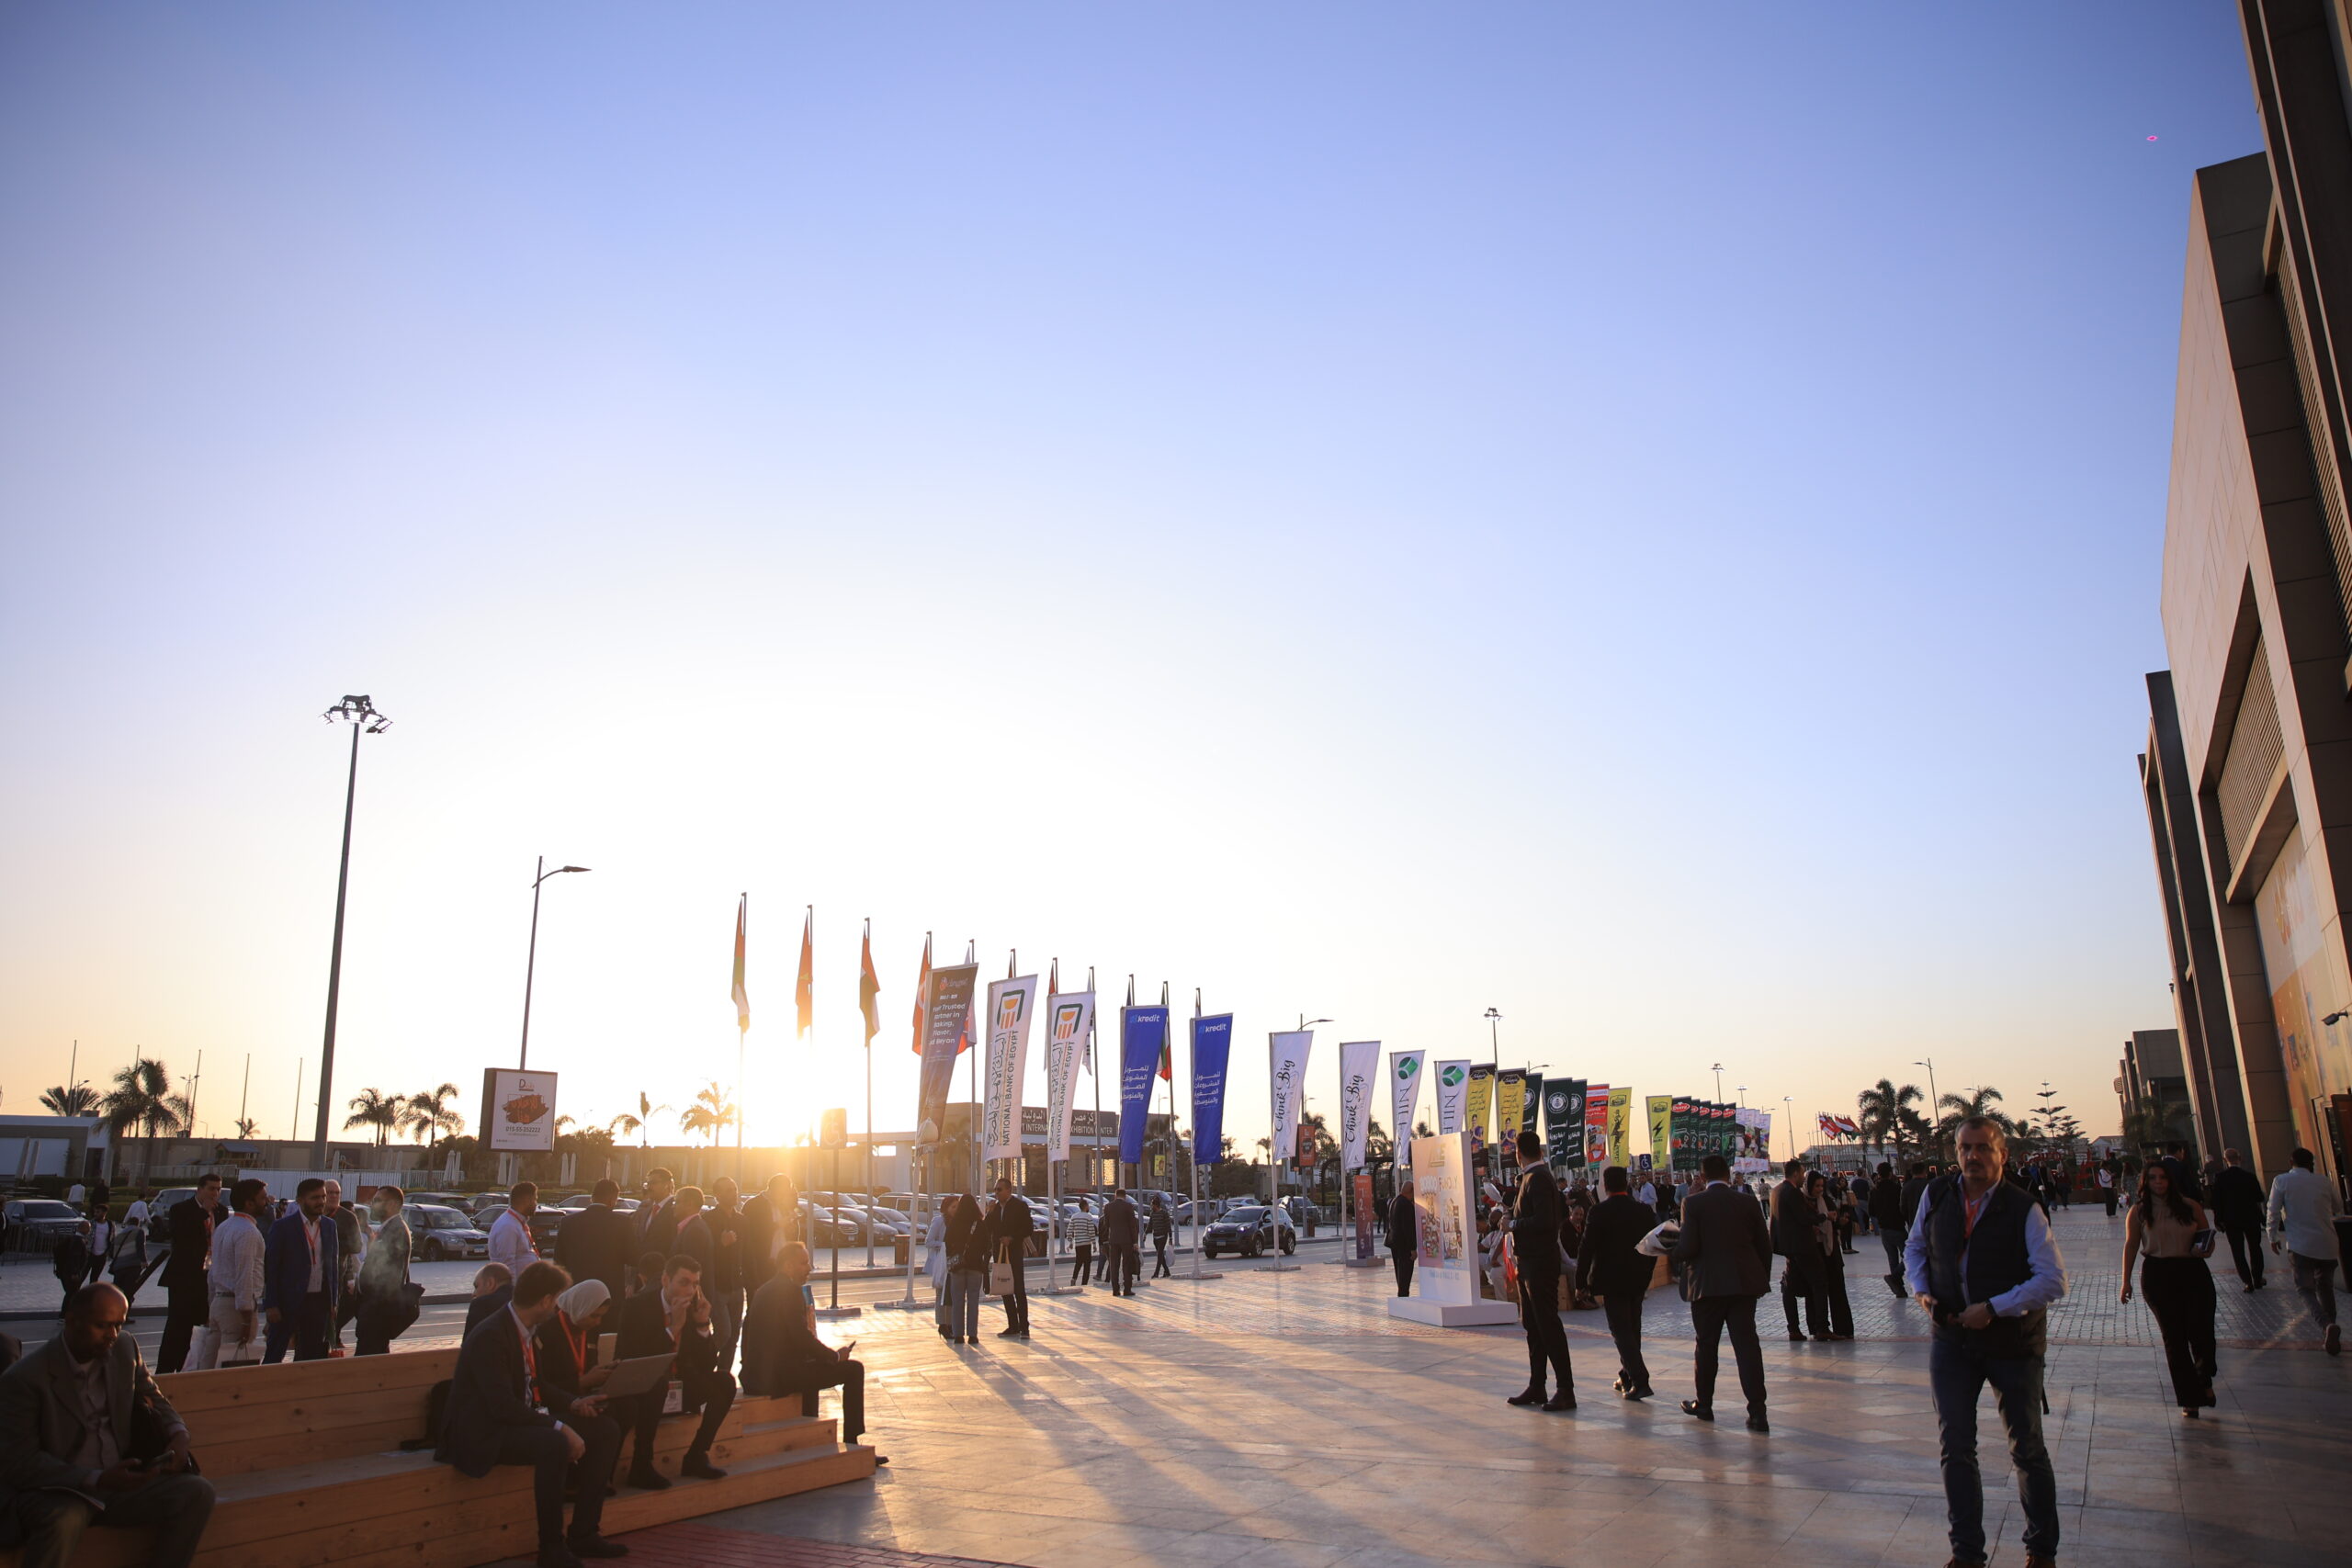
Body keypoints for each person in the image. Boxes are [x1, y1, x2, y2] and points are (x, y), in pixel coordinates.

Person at [1905, 1115, 2065, 1568]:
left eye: (1982, 1148)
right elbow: (1915, 1248)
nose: (1972, 1156)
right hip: (1951, 1339)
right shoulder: (1937, 1195)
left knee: (2026, 1447)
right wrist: (1922, 1291)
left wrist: (1994, 1308)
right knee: (1955, 1447)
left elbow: (2053, 1280)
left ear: (2002, 1155)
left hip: (2012, 1343)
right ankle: (1967, 1554)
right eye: (1965, 1148)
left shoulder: (2024, 1208)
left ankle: (2041, 1550)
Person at [0, 1283, 215, 1568]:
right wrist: (96, 1478)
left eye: (118, 1325)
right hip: (61, 1489)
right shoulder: (26, 1378)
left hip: (121, 1483)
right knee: (64, 1517)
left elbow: (155, 1398)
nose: (112, 1335)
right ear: (72, 1321)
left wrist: (179, 1434)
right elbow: (21, 1463)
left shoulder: (124, 1348)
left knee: (197, 1492)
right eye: (102, 1326)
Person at [438, 1261, 626, 1568]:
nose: (559, 1306)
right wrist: (559, 1426)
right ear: (545, 1301)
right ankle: (551, 1548)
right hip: (484, 1431)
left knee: (605, 1430)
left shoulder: (525, 1330)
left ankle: (584, 1533)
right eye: (557, 1299)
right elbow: (502, 1406)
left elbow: (537, 1384)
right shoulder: (492, 1335)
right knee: (554, 1444)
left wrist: (574, 1403)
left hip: (516, 1420)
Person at [741, 1241, 885, 1463]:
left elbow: (749, 1333)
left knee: (813, 1369)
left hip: (756, 1376)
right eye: (804, 1263)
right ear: (788, 1266)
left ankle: (811, 1431)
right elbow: (801, 1338)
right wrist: (834, 1357)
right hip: (778, 1377)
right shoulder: (789, 1291)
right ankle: (852, 1441)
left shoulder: (764, 1289)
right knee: (854, 1370)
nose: (809, 1268)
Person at [1669, 1153, 1771, 1432]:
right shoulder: (1748, 1202)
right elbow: (1764, 1245)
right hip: (1743, 1285)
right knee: (1747, 1347)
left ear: (1702, 1177)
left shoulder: (1693, 1203)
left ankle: (1704, 1404)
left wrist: (1670, 1250)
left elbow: (1689, 1247)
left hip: (1707, 1287)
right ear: (1728, 1174)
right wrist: (1760, 1280)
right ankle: (1758, 1411)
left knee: (1706, 1346)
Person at [614, 1253, 733, 1487]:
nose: (690, 1290)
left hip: (679, 1388)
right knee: (657, 1384)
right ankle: (641, 1464)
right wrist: (674, 1327)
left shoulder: (692, 1308)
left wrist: (702, 1324)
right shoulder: (637, 1306)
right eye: (684, 1282)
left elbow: (707, 1365)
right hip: (645, 1390)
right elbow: (634, 1357)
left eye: (695, 1284)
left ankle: (697, 1455)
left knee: (725, 1382)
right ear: (666, 1280)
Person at [2120, 1160, 2219, 1416]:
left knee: (2202, 1333)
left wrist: (2205, 1249)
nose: (2158, 1182)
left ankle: (2204, 1379)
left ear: (2170, 1180)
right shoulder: (2139, 1212)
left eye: (2162, 1177)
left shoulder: (2190, 1206)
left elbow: (2206, 1236)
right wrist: (2126, 1281)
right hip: (2158, 1275)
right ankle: (2190, 1398)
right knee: (2174, 1338)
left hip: (2193, 1272)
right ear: (2145, 1182)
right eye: (2153, 1178)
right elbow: (2131, 1245)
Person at [1505, 1131, 1575, 1412]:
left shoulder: (1539, 1178)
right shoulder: (1533, 1178)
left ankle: (1565, 1389)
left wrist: (1513, 1225)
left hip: (1539, 1262)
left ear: (1518, 1154)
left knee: (1547, 1324)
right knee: (1533, 1325)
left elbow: (1546, 1221)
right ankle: (1537, 1384)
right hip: (1529, 1261)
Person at [1576, 1166, 1655, 1400]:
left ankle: (1640, 1379)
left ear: (1605, 1186)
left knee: (1621, 1330)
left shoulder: (1599, 1212)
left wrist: (1580, 1282)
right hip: (1638, 1278)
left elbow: (1586, 1248)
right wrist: (1647, 1272)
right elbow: (1654, 1245)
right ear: (1626, 1184)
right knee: (1633, 1327)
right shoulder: (1643, 1210)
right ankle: (1627, 1375)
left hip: (1611, 1279)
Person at [2267, 1145, 2343, 1355]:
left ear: (2290, 1163)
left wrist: (2272, 1236)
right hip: (2327, 1242)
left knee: (2305, 1290)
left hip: (2300, 1244)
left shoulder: (2281, 1181)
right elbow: (2338, 1206)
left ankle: (2325, 1325)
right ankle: (2330, 1330)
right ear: (2312, 1164)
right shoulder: (2323, 1181)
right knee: (2326, 1287)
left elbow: (2273, 1211)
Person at [261, 1178, 339, 1363]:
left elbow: (333, 1265)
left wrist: (333, 1300)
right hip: (287, 1301)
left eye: (323, 1197)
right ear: (300, 1200)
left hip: (318, 1301)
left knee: (311, 1355)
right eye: (315, 1198)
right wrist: (271, 1303)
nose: (321, 1201)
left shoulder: (329, 1225)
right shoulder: (283, 1227)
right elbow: (271, 1267)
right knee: (275, 1353)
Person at [197, 1179, 269, 1370]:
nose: (267, 1202)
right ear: (249, 1203)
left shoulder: (223, 1227)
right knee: (234, 1366)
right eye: (262, 1198)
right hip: (236, 1307)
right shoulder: (248, 1232)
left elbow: (213, 1272)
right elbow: (244, 1275)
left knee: (209, 1361)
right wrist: (246, 1317)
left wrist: (211, 1303)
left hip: (219, 1302)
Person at [533, 1278, 616, 1409]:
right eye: (594, 1316)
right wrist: (582, 1382)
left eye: (601, 1316)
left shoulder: (589, 1331)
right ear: (580, 1308)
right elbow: (542, 1386)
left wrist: (603, 1373)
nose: (598, 1322)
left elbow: (588, 1368)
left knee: (628, 1405)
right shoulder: (546, 1332)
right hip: (560, 1403)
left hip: (586, 1397)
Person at [1770, 1161, 1828, 1341]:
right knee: (1819, 1283)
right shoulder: (1793, 1192)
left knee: (1789, 1286)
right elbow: (1803, 1218)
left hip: (1787, 1246)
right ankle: (1821, 1328)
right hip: (1802, 1246)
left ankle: (1793, 1328)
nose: (1804, 1177)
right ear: (1795, 1174)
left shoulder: (1776, 1190)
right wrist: (1824, 1217)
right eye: (1802, 1173)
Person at [355, 1185, 415, 1356]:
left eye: (377, 1200)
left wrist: (359, 1285)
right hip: (376, 1314)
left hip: (377, 1315)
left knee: (367, 1363)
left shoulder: (395, 1230)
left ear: (392, 1204)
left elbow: (385, 1277)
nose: (372, 1204)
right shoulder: (389, 1228)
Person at [554, 1179, 631, 1303]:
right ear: (612, 1199)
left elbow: (559, 1258)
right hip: (610, 1291)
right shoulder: (623, 1223)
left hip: (577, 1289)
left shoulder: (569, 1222)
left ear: (592, 1197)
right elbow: (631, 1257)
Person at [1804, 1169, 1855, 1339]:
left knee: (1837, 1288)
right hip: (1814, 1250)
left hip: (1830, 1249)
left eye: (1821, 1186)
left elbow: (1834, 1222)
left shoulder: (1825, 1200)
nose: (1819, 1189)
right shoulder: (1802, 1201)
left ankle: (1843, 1328)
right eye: (1816, 1186)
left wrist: (1839, 1221)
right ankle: (1818, 1327)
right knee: (1815, 1291)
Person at [2208, 1148, 2267, 1293]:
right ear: (2240, 1158)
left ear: (2225, 1160)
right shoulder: (2249, 1176)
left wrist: (2218, 1219)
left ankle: (2247, 1281)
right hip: (2251, 1217)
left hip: (2231, 1220)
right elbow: (2259, 1197)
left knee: (2237, 1250)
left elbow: (2216, 1201)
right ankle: (2257, 1278)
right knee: (2255, 1247)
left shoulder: (2220, 1177)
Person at [707, 1178, 747, 1371]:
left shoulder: (741, 1220)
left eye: (735, 1189)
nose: (734, 1193)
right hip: (718, 1286)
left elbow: (748, 1253)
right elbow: (704, 1252)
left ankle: (723, 1375)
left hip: (736, 1286)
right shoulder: (709, 1219)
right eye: (729, 1190)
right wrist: (720, 1244)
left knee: (733, 1337)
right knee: (723, 1332)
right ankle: (703, 1362)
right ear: (718, 1195)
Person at [739, 1173, 797, 1298]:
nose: (784, 1196)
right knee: (759, 1303)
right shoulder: (753, 1205)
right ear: (774, 1189)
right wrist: (777, 1225)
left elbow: (787, 1235)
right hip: (760, 1267)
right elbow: (750, 1234)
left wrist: (790, 1229)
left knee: (780, 1304)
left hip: (781, 1266)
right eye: (783, 1193)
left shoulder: (783, 1206)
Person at [988, 1179, 1035, 1334]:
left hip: (1013, 1252)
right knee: (1004, 1287)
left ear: (1009, 1190)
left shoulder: (1019, 1206)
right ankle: (1013, 1325)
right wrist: (989, 1212)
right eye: (995, 1190)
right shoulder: (995, 1208)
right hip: (999, 1252)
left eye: (999, 1189)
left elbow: (1028, 1228)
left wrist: (1012, 1238)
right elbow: (987, 1228)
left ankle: (1024, 1326)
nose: (996, 1193)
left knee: (1018, 1288)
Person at [944, 1192, 988, 1345]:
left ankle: (958, 1335)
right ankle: (973, 1335)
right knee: (973, 1301)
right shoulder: (980, 1223)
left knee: (957, 1301)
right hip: (975, 1266)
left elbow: (947, 1242)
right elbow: (986, 1245)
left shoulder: (955, 1223)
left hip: (958, 1266)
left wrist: (954, 1255)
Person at [1868, 1160, 1907, 1298]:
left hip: (1883, 1228)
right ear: (1890, 1173)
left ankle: (1899, 1289)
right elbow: (1902, 1207)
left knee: (1892, 1258)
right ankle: (1895, 1277)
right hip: (1897, 1226)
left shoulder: (1874, 1191)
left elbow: (1871, 1211)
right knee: (1909, 1255)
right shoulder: (1896, 1188)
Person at [491, 1182, 542, 1280]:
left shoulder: (518, 1223)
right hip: (517, 1287)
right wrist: (512, 1288)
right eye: (535, 1199)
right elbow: (507, 1264)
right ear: (526, 1200)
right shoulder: (508, 1226)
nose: (536, 1204)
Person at [1098, 1189, 1138, 1299]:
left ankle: (1115, 1290)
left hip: (1113, 1239)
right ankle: (1127, 1289)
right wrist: (1135, 1242)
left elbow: (1106, 1224)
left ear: (1115, 1196)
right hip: (1127, 1240)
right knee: (1126, 1264)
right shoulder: (1128, 1206)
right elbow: (1132, 1226)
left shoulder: (1108, 1207)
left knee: (1114, 1265)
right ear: (1125, 1196)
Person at [634, 1169, 679, 1259]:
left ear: (667, 1184)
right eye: (648, 1183)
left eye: (653, 1183)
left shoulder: (676, 1209)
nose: (649, 1187)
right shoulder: (646, 1209)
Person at [926, 1196, 956, 1333]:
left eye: (957, 1207)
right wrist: (944, 1245)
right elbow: (929, 1241)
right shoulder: (939, 1221)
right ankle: (942, 1324)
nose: (955, 1210)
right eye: (953, 1207)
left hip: (953, 1262)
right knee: (941, 1293)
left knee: (952, 1294)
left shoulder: (958, 1221)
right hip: (941, 1261)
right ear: (946, 1208)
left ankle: (950, 1323)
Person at [466, 1263, 516, 1337]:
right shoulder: (524, 1299)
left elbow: (469, 1341)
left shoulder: (481, 1304)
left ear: (490, 1283)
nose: (474, 1294)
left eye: (476, 1286)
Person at [51, 1224, 92, 1315]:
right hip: (71, 1273)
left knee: (72, 1294)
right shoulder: (78, 1241)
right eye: (89, 1228)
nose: (89, 1231)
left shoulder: (71, 1238)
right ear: (83, 1228)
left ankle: (70, 1314)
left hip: (64, 1272)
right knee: (71, 1294)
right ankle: (64, 1315)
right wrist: (75, 1273)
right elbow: (75, 1258)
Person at [1385, 1180, 1417, 1296]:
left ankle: (1402, 1294)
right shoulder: (1406, 1205)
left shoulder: (1395, 1201)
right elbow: (1408, 1229)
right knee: (1405, 1274)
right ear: (1411, 1191)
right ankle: (1403, 1295)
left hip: (1394, 1243)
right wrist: (1412, 1248)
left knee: (1399, 1273)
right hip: (1404, 1246)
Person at [1063, 1198, 1097, 1290]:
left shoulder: (1074, 1216)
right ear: (1085, 1207)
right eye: (1088, 1206)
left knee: (1078, 1262)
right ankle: (1084, 1283)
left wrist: (1071, 1242)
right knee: (1087, 1264)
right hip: (1086, 1244)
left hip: (1078, 1244)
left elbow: (1069, 1230)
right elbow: (1091, 1231)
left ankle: (1074, 1278)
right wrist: (1094, 1244)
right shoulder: (1088, 1216)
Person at [1148, 1196, 1173, 1279]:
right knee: (1161, 1256)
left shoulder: (1164, 1213)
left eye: (1152, 1205)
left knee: (1159, 1255)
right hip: (1155, 1237)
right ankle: (1167, 1272)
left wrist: (1170, 1238)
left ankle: (1156, 1273)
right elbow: (1150, 1224)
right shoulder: (1152, 1214)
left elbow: (1168, 1226)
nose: (1151, 1206)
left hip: (1163, 1237)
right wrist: (1145, 1234)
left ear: (1156, 1205)